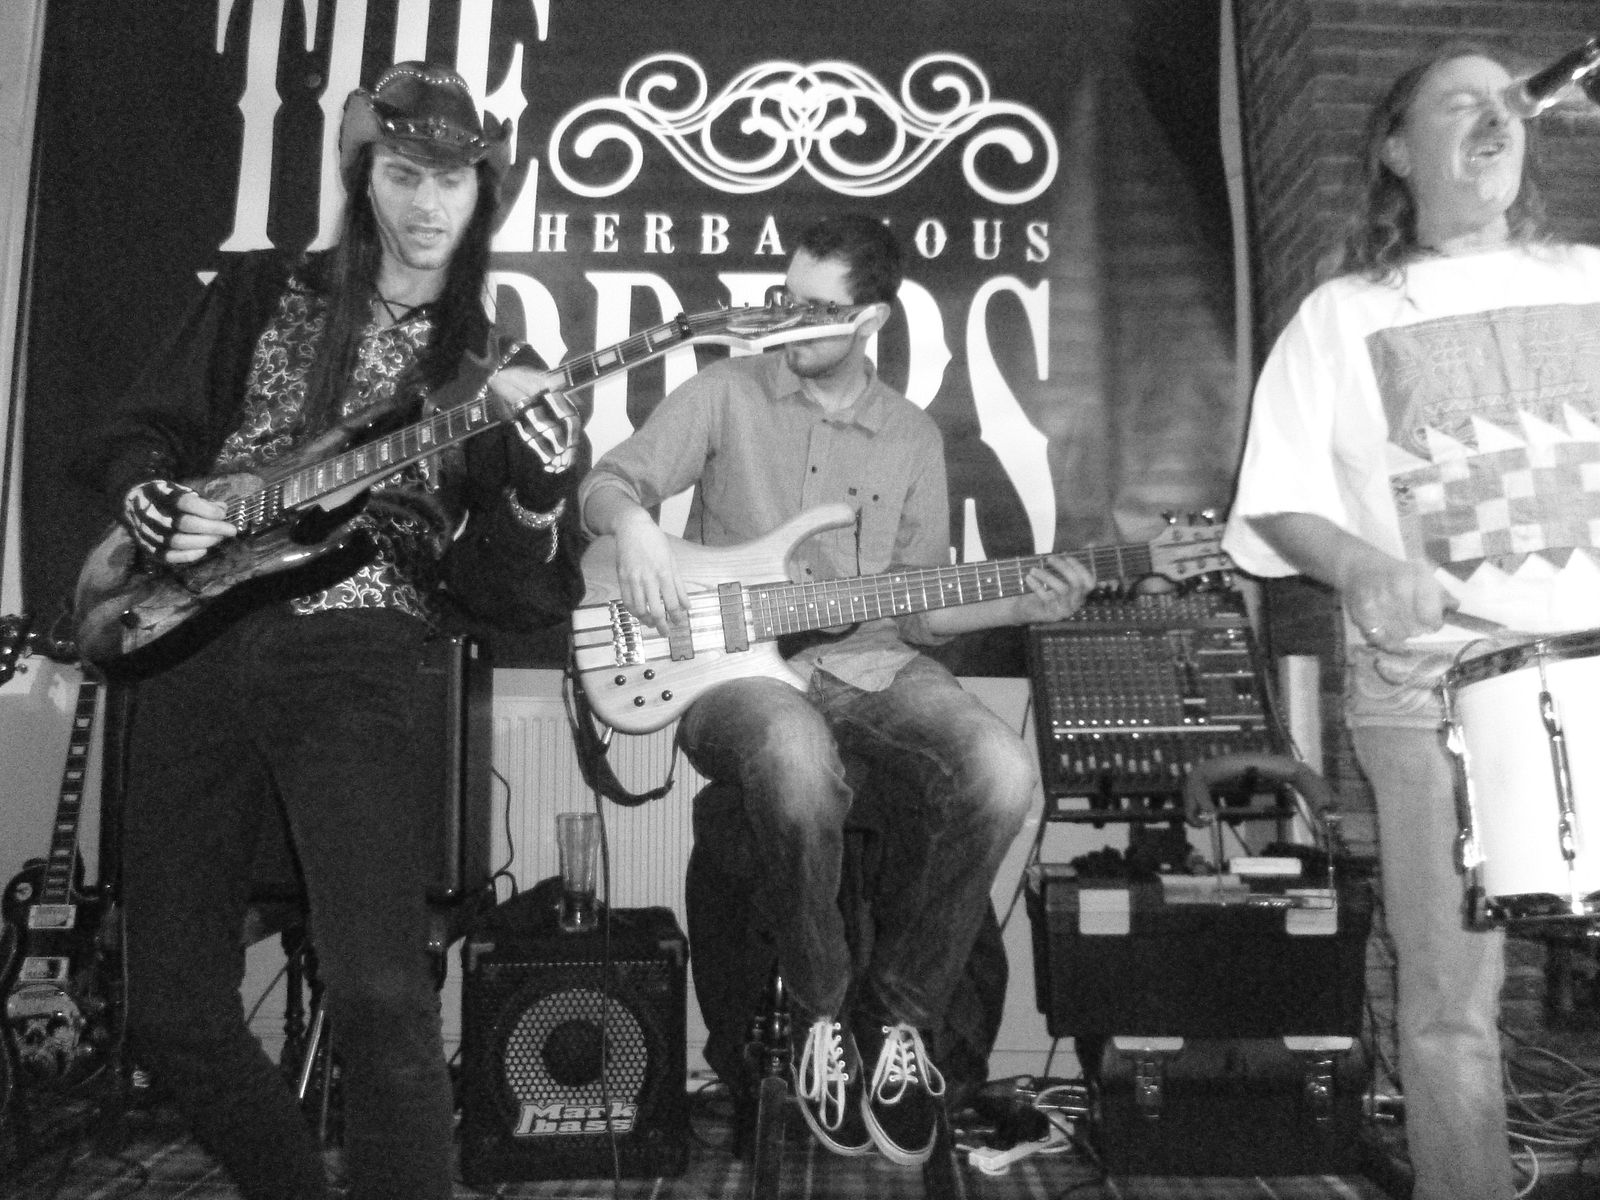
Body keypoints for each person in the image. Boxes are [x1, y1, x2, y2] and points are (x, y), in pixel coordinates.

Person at [74, 63, 585, 1200]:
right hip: (189, 644)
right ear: (365, 179)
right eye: (403, 174)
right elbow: (137, 430)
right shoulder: (260, 292)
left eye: (451, 181)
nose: (426, 203)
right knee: (170, 1010)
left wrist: (540, 494)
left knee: (383, 997)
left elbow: (514, 594)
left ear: (482, 194)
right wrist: (148, 492)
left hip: (356, 660)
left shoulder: (490, 370)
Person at [578, 213, 1093, 1166]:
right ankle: (821, 1015)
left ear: (871, 319)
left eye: (814, 308)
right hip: (733, 678)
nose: (788, 321)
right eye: (785, 299)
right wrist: (636, 526)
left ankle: (897, 1021)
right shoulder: (727, 391)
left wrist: (1028, 604)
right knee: (792, 751)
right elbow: (607, 483)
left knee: (1003, 771)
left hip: (869, 666)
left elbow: (922, 611)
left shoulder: (910, 435)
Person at [1223, 40, 1600, 1200]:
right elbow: (1274, 500)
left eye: (1505, 103)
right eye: (1456, 103)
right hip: (1430, 684)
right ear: (1395, 149)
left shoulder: (1588, 277)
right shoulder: (1340, 315)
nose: (1491, 118)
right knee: (1445, 1008)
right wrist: (1357, 565)